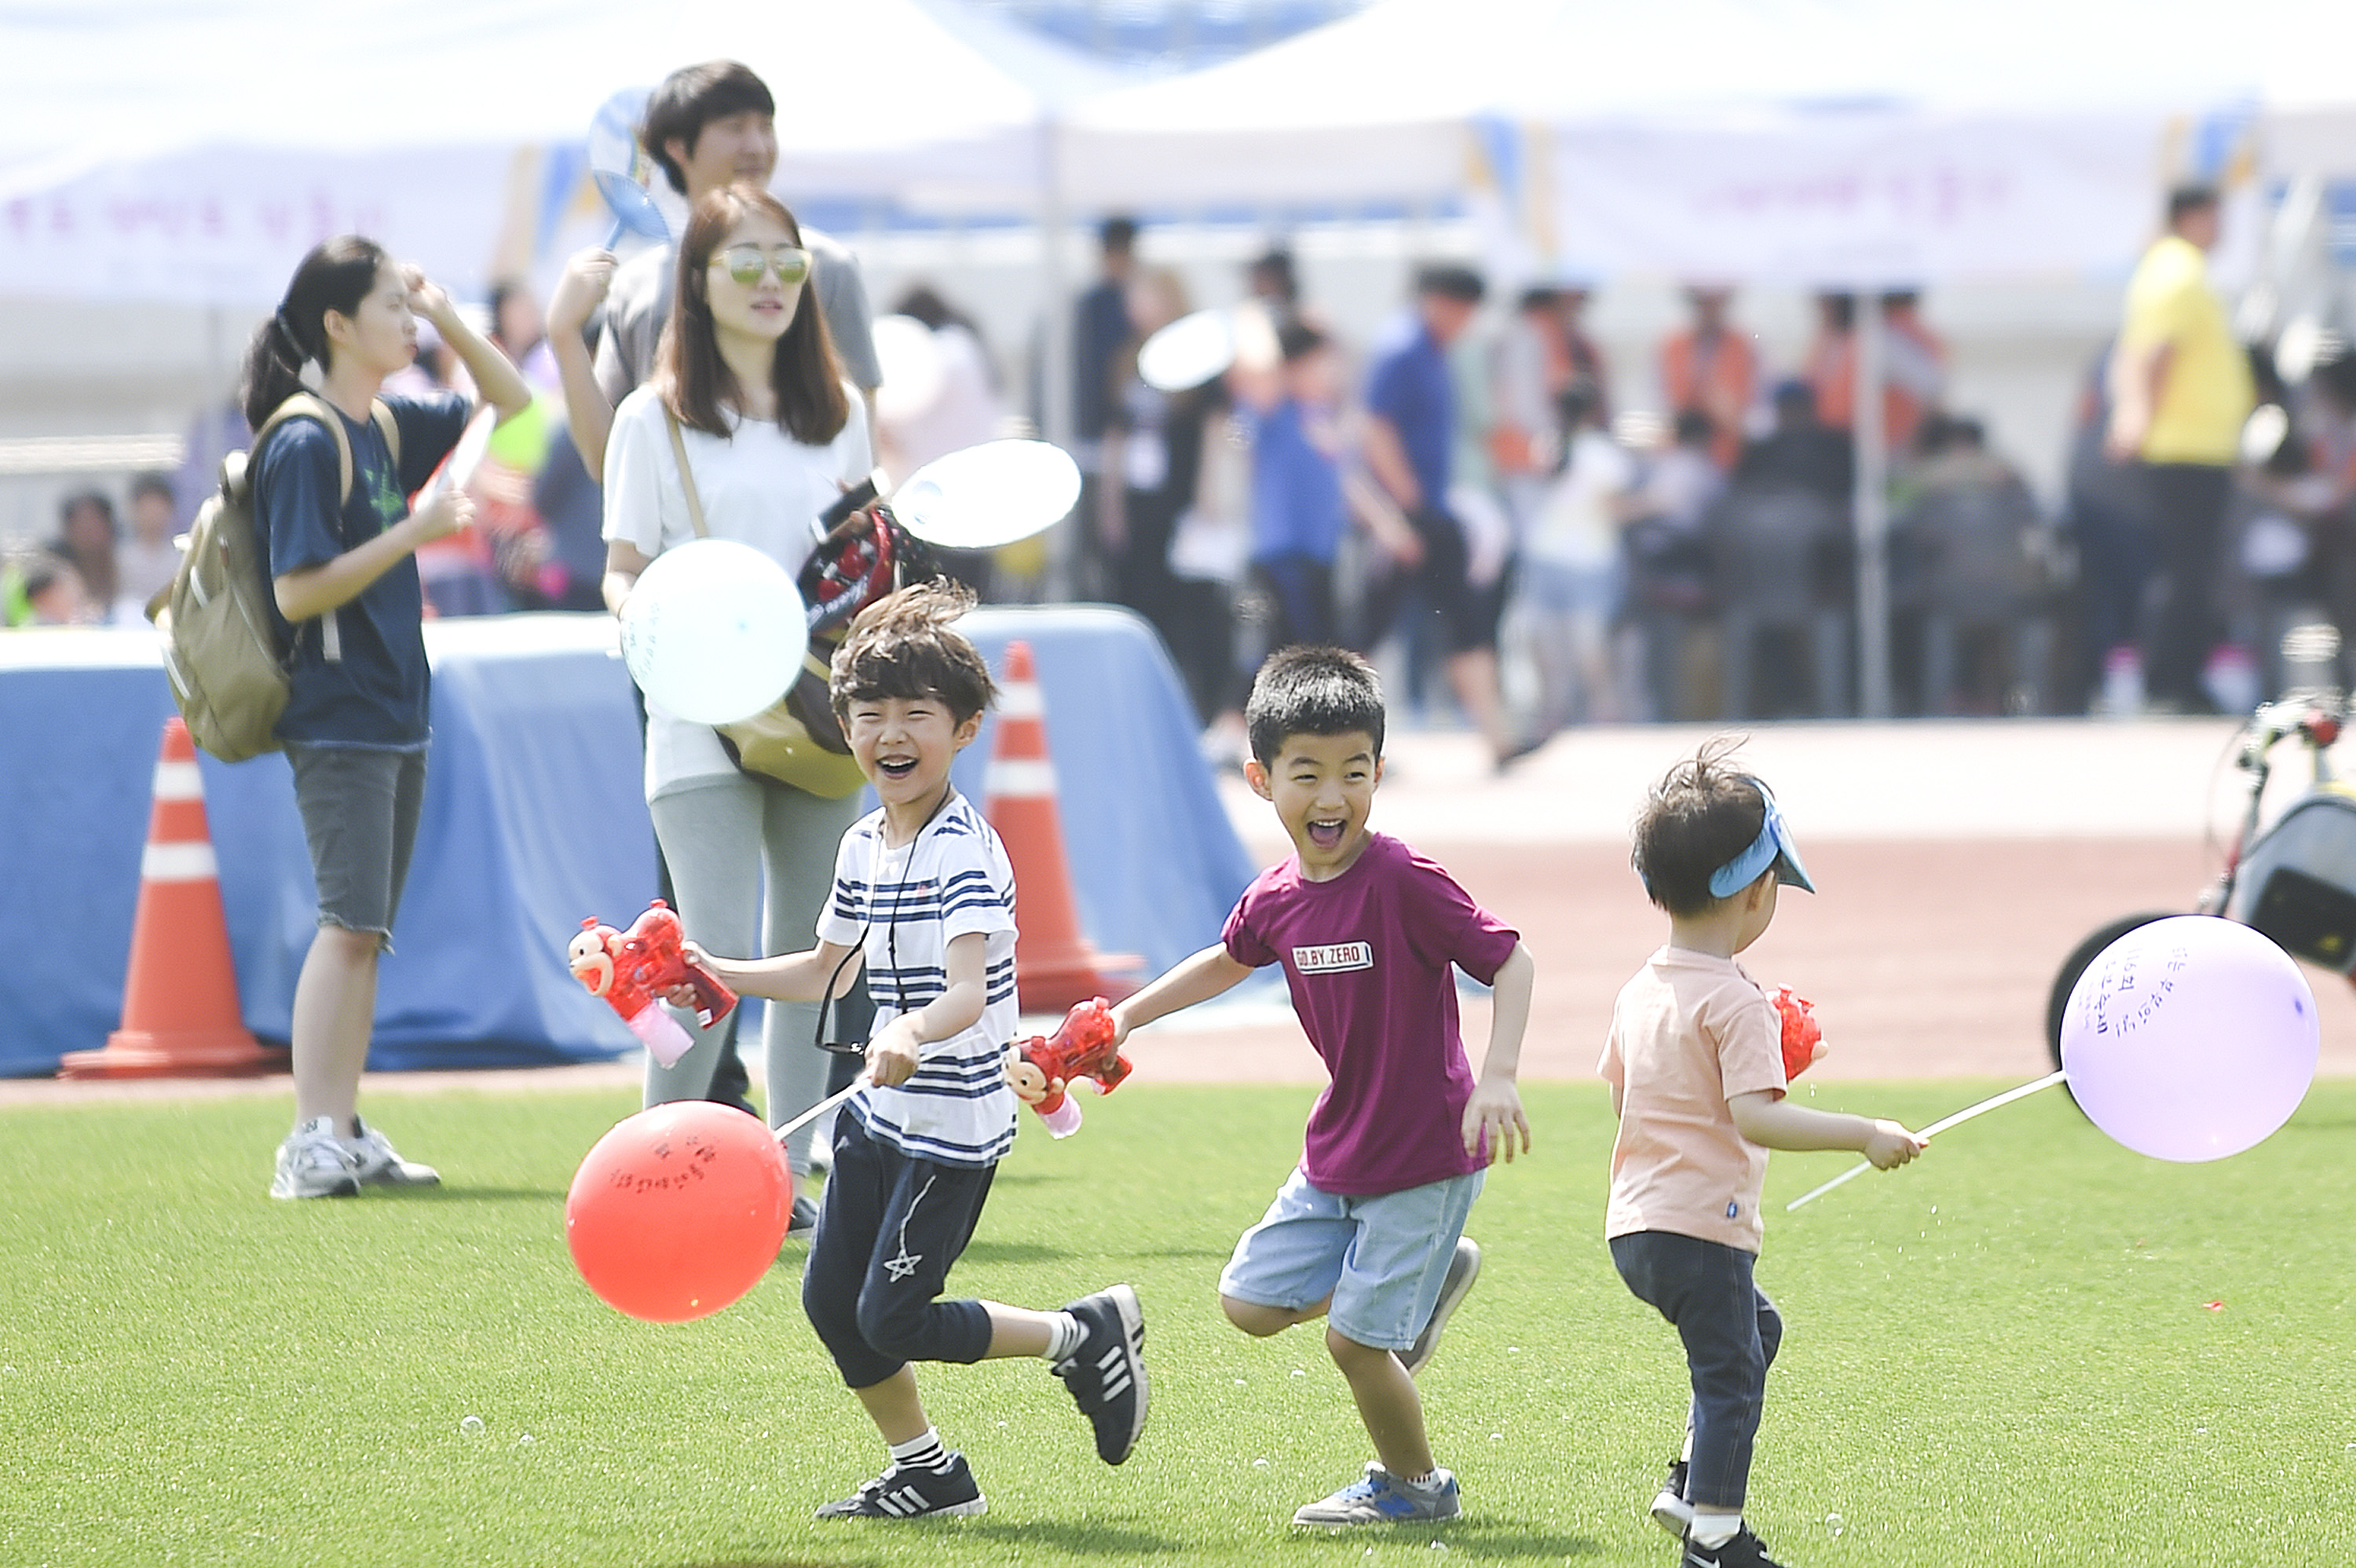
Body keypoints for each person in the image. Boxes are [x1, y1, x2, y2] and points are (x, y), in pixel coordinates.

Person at [681, 583, 1150, 1519]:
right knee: (829, 1302)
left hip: (950, 1128)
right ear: (845, 726)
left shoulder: (965, 852)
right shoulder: (862, 842)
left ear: (964, 728)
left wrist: (905, 1029)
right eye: (868, 714)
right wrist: (716, 968)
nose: (891, 733)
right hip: (876, 1114)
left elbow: (969, 993)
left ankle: (1081, 1331)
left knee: (889, 1315)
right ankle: (930, 1472)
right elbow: (825, 966)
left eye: (916, 715)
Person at [1106, 645, 1534, 1527]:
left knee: (1356, 1343)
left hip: (1427, 1148)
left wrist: (1498, 1076)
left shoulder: (1406, 878)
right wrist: (1125, 1017)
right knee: (1247, 1302)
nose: (1332, 796)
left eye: (1354, 771)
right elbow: (1225, 961)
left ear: (1378, 772)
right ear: (1263, 780)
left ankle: (1416, 1489)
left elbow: (1513, 960)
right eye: (1308, 773)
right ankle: (1424, 1278)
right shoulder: (1275, 899)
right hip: (1342, 1145)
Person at [598, 184, 879, 1225]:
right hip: (698, 709)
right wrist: (652, 629)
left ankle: (785, 1182)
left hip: (817, 708)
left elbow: (865, 552)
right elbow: (621, 569)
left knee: (820, 954)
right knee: (703, 954)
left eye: (785, 259)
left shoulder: (839, 413)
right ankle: (658, 1179)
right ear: (699, 280)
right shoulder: (651, 416)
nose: (769, 281)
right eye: (743, 260)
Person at [241, 235, 531, 1199]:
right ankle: (309, 1138)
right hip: (339, 711)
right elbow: (294, 592)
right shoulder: (305, 435)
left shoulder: (382, 424)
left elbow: (510, 398)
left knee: (366, 927)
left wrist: (448, 315)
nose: (408, 325)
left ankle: (341, 1124)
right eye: (392, 308)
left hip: (393, 702)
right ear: (337, 323)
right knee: (348, 923)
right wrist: (416, 528)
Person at [1604, 742, 1924, 1567]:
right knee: (1733, 1371)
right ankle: (1715, 1534)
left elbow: (1628, 1091)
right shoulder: (1737, 998)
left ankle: (1687, 1481)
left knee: (1754, 1330)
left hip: (1635, 1228)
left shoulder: (1643, 989)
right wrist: (1864, 1131)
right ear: (1754, 891)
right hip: (1702, 1229)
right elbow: (1755, 1118)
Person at [560, 60, 884, 484]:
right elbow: (608, 462)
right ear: (677, 147)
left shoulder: (824, 267)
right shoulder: (635, 288)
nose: (758, 145)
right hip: (676, 541)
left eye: (766, 126)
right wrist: (563, 335)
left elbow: (859, 449)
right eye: (735, 127)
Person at [1363, 264, 1527, 767]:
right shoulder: (1403, 348)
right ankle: (1338, 736)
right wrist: (1406, 506)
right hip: (1409, 512)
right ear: (1439, 301)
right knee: (1369, 630)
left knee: (1464, 619)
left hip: (1431, 509)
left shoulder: (1433, 351)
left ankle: (1498, 736)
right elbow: (1375, 429)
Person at [2106, 184, 2257, 713]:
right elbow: (2153, 353)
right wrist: (2138, 414)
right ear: (2192, 217)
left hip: (2194, 447)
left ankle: (2175, 679)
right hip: (2185, 449)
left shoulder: (2169, 270)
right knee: (2185, 572)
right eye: (2216, 217)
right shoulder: (2179, 272)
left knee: (2185, 569)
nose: (2222, 230)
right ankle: (2171, 683)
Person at [1520, 377, 1638, 733]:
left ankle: (1552, 715)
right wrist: (1658, 501)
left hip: (1545, 552)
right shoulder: (1605, 455)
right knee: (1591, 642)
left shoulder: (1547, 446)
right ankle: (1605, 712)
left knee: (1547, 644)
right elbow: (1615, 510)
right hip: (1591, 557)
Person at [1659, 287, 1757, 471]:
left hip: (1731, 461)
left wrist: (1730, 416)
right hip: (1679, 455)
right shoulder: (1671, 346)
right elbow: (1657, 406)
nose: (1709, 306)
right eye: (1702, 299)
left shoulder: (1746, 347)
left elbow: (1761, 420)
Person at [50, 491, 133, 623]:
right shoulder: (58, 573)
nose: (88, 529)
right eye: (81, 523)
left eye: (94, 521)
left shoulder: (127, 563)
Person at [120, 473, 182, 609]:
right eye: (147, 508)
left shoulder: (181, 558)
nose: (153, 515)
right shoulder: (120, 558)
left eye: (158, 508)